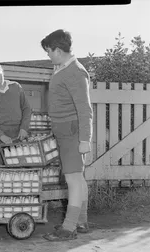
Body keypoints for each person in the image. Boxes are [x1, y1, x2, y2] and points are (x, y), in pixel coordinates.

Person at [40, 29, 93, 241]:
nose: (48, 55)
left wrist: (84, 140)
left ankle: (69, 228)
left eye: (48, 51)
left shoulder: (76, 72)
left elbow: (85, 109)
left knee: (72, 179)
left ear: (59, 50)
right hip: (65, 131)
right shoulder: (62, 68)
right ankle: (81, 222)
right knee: (78, 178)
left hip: (72, 132)